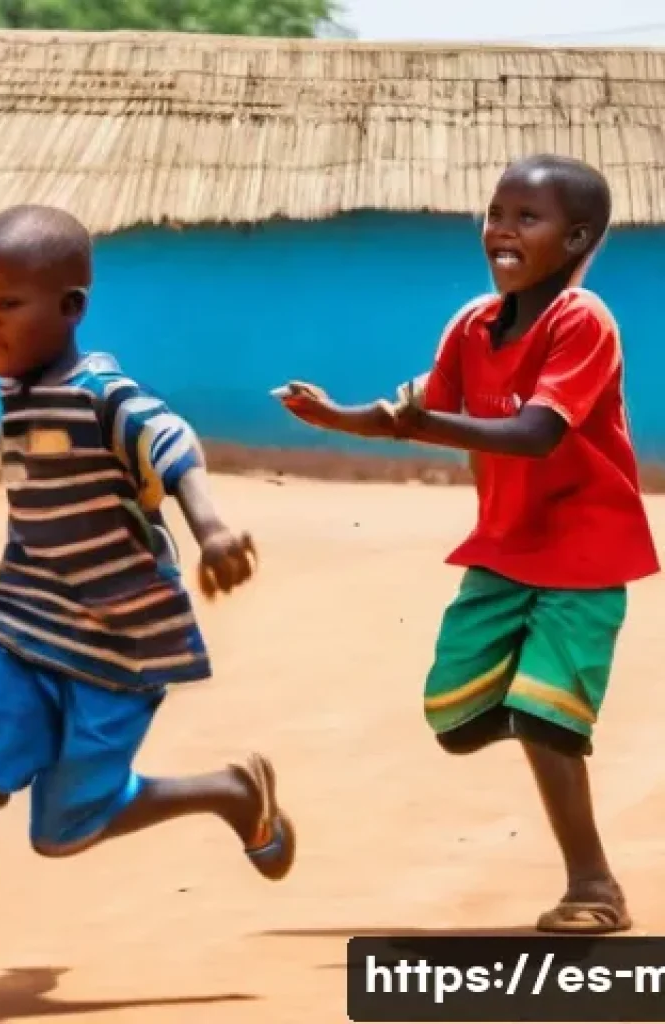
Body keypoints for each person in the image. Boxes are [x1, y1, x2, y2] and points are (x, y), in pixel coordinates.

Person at [0, 205, 295, 1007]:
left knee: (64, 828)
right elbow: (41, 504)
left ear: (71, 306)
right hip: (30, 627)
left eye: (7, 305)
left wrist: (210, 530)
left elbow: (172, 443)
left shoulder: (102, 393)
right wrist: (16, 579)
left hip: (119, 644)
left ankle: (230, 793)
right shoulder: (18, 388)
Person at [278, 155, 659, 935]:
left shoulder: (581, 322)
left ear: (577, 237)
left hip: (584, 550)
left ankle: (595, 888)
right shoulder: (472, 325)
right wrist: (339, 417)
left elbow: (537, 432)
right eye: (496, 212)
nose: (502, 230)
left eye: (528, 217)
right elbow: (412, 407)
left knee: (546, 718)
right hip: (504, 547)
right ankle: (539, 710)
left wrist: (422, 423)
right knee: (453, 716)